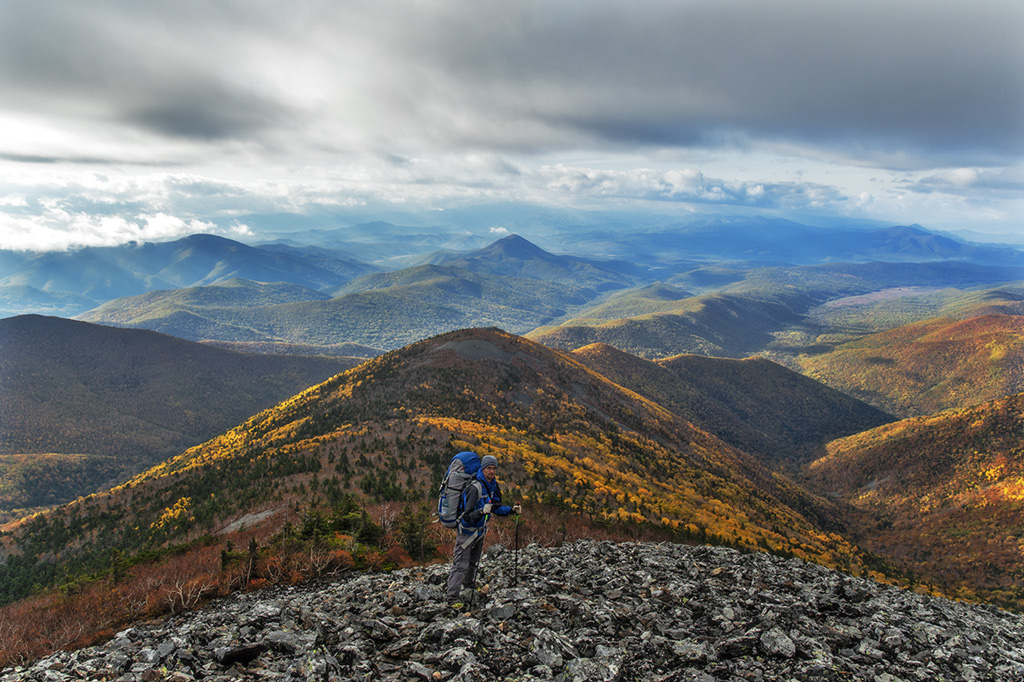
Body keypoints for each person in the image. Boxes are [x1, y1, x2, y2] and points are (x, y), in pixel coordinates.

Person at [446, 454, 521, 605]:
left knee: (473, 562)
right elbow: (466, 516)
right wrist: (481, 512)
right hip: (467, 531)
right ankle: (452, 598)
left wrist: (512, 510)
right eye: (488, 468)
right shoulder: (475, 487)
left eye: (494, 468)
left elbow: (496, 507)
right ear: (483, 468)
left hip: (480, 529)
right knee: (460, 564)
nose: (492, 472)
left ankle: (468, 586)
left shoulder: (493, 484)